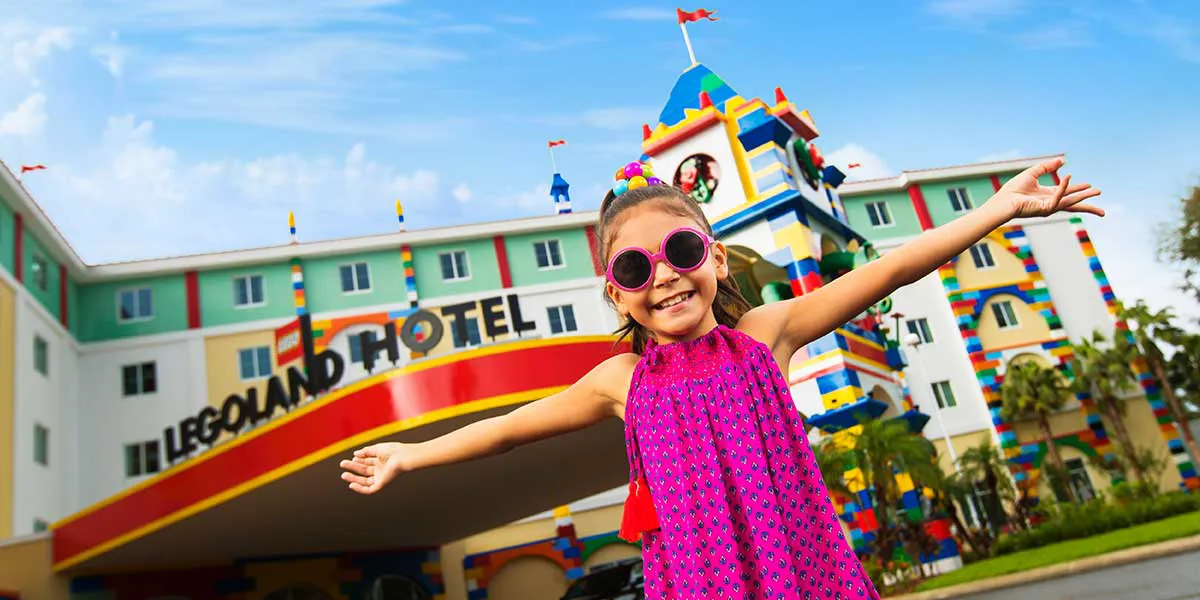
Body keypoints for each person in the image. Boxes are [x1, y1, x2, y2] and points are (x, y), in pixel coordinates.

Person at [339, 157, 1102, 599]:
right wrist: (411, 454)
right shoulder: (620, 381)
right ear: (616, 291)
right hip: (700, 583)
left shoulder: (767, 337)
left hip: (803, 569)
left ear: (717, 259)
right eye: (636, 268)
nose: (664, 278)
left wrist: (999, 209)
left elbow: (894, 266)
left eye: (682, 252)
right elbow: (505, 430)